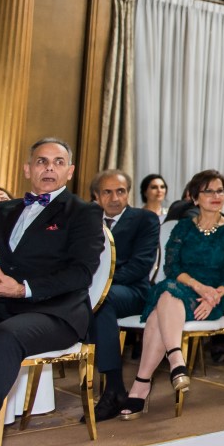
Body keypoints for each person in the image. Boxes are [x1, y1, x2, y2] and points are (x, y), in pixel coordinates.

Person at [0, 138, 103, 446]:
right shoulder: (5, 210)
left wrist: (23, 289)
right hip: (3, 308)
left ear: (70, 171)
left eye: (58, 162)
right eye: (42, 161)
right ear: (28, 169)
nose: (50, 168)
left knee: (5, 337)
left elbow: (81, 273)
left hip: (56, 313)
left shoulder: (84, 213)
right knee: (2, 328)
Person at [119, 169, 224, 420]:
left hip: (213, 300)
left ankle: (143, 383)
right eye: (208, 191)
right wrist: (200, 288)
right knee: (168, 291)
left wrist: (215, 296)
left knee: (159, 309)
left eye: (219, 190)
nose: (215, 195)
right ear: (195, 198)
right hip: (186, 287)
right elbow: (172, 268)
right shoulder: (183, 228)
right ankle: (175, 359)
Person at [84, 170, 160, 421]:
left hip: (133, 290)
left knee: (99, 303)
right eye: (107, 192)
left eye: (121, 191)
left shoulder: (144, 219)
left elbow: (140, 266)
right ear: (96, 196)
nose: (115, 198)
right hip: (90, 291)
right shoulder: (87, 220)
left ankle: (114, 387)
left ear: (128, 193)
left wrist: (97, 286)